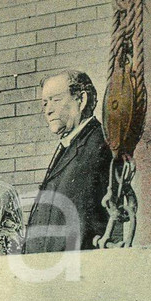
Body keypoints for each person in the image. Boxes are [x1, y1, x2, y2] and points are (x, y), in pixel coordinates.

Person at [23, 70, 112, 254]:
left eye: (55, 100)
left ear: (82, 99)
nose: (48, 110)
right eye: (45, 103)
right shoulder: (72, 144)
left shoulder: (100, 144)